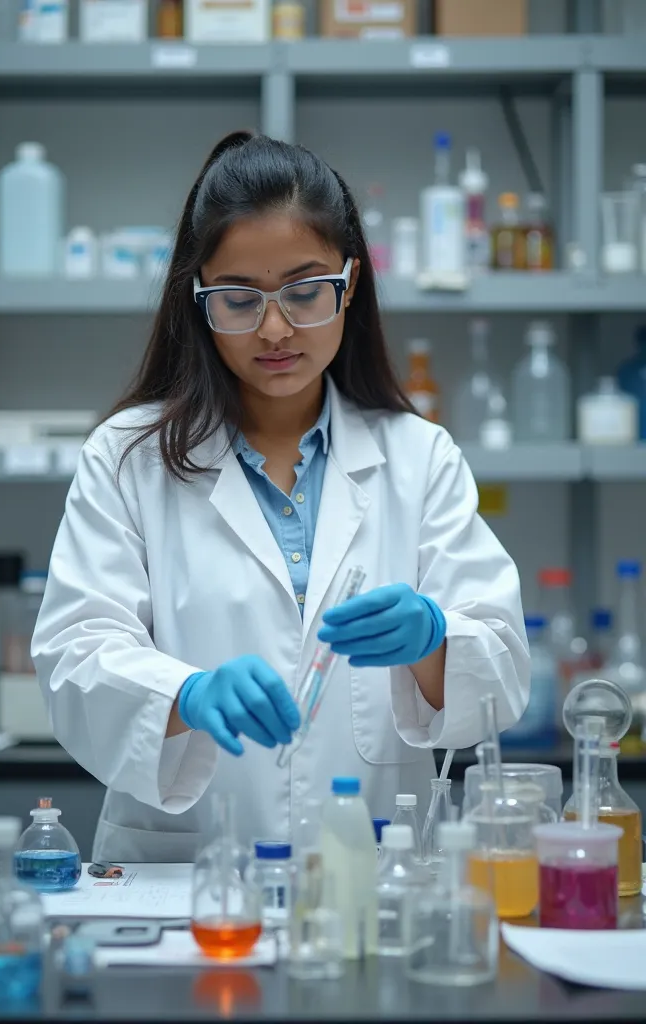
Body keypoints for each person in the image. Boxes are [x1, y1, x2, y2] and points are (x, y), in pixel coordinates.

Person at [32, 132, 529, 863]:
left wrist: (435, 642)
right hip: (184, 873)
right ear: (198, 298)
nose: (274, 328)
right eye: (238, 298)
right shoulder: (127, 458)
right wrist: (185, 694)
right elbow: (75, 657)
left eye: (304, 292)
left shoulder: (419, 458)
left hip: (374, 874)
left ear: (350, 283)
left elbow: (501, 674)